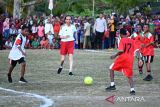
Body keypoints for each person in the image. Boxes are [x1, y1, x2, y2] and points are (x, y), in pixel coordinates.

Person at [105, 28, 135, 95]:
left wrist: (115, 55)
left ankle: (112, 85)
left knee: (111, 68)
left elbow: (121, 51)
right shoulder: (132, 40)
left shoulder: (122, 40)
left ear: (121, 34)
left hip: (123, 58)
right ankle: (132, 89)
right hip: (130, 59)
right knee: (129, 74)